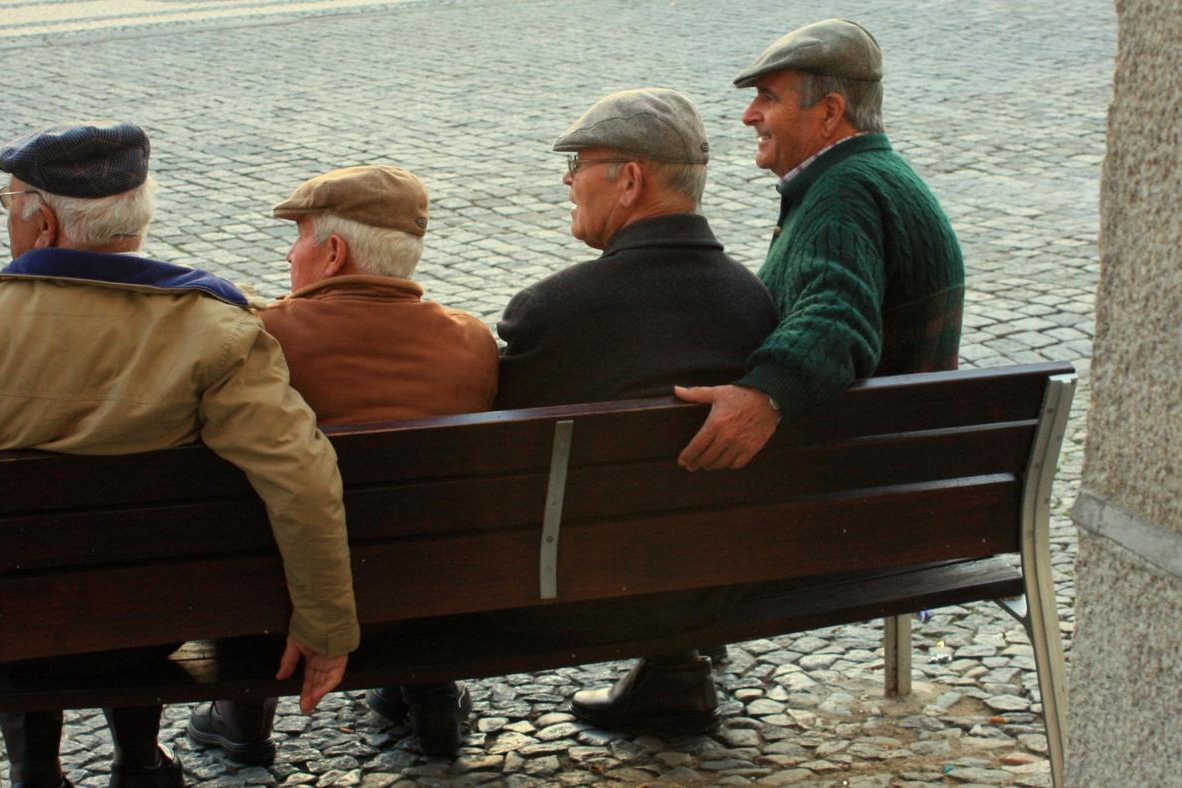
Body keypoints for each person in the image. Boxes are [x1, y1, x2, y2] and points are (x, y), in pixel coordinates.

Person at [0, 121, 359, 788]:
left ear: (42, 224)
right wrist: (326, 625)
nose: (8, 216)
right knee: (125, 581)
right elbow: (301, 479)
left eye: (9, 202)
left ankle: (35, 770)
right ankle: (138, 762)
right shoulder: (213, 326)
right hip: (149, 618)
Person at [186, 164, 497, 761]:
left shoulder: (260, 338)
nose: (288, 254)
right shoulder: (471, 340)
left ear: (332, 253)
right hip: (431, 595)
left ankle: (244, 717)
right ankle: (430, 693)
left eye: (298, 236)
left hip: (275, 602)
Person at [494, 88, 776, 730]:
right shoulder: (754, 304)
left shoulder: (550, 312)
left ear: (629, 181)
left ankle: (416, 696)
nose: (568, 181)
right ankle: (675, 668)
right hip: (727, 586)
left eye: (579, 166)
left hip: (572, 598)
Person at [676, 18, 966, 472]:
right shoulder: (880, 177)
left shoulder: (846, 192)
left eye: (767, 97)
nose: (749, 115)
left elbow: (837, 313)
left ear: (830, 112)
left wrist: (764, 393)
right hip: (902, 463)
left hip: (859, 477)